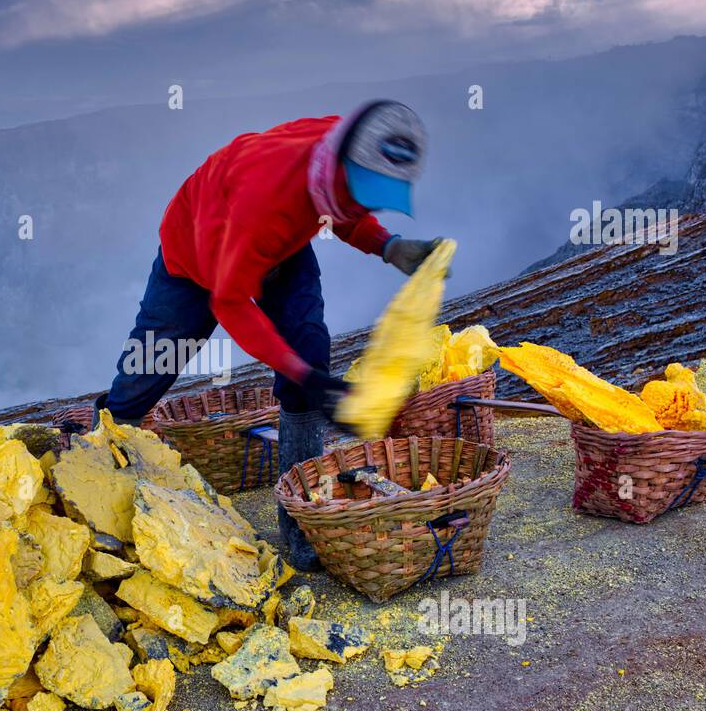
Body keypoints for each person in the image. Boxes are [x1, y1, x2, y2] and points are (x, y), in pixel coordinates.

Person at [95, 100, 445, 570]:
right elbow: (230, 302)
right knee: (145, 376)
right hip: (197, 254)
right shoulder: (267, 196)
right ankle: (95, 471)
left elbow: (339, 206)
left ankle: (303, 531)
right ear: (342, 164)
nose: (370, 201)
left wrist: (386, 245)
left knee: (309, 356)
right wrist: (305, 376)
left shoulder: (341, 149)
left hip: (278, 243)